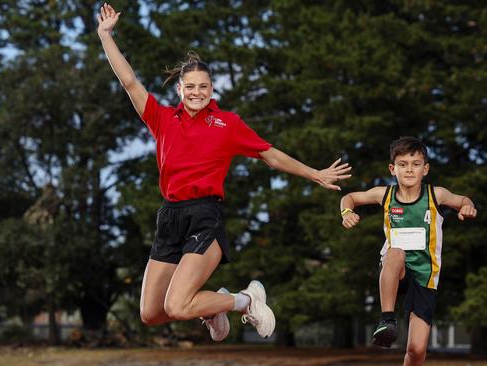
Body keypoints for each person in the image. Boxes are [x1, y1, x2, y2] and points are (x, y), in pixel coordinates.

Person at [97, 3, 352, 341]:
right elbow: (129, 81)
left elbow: (270, 155)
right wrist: (105, 35)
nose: (197, 92)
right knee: (151, 313)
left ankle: (245, 300)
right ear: (179, 89)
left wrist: (315, 174)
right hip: (170, 216)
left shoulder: (227, 124)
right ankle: (215, 307)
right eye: (190, 86)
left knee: (177, 306)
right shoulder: (162, 119)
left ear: (212, 89)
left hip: (205, 216)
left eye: (203, 86)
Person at [340, 136, 477, 365]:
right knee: (395, 253)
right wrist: (346, 213)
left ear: (425, 169)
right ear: (393, 169)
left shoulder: (436, 195)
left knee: (416, 350)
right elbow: (350, 197)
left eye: (416, 164)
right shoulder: (384, 195)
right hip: (397, 269)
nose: (409, 170)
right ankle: (387, 321)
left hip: (425, 275)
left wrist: (467, 206)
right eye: (403, 164)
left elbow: (463, 199)